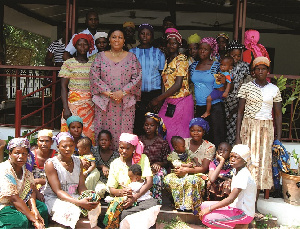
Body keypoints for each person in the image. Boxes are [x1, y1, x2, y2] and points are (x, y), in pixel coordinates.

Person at [236, 56, 282, 212]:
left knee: (261, 163)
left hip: (266, 130)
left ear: (268, 71)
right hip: (249, 127)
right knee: (247, 163)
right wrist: (237, 136)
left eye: (263, 69)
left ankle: (253, 206)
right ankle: (241, 203)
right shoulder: (246, 87)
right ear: (253, 71)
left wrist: (278, 137)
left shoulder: (274, 89)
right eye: (257, 69)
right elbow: (240, 112)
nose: (260, 71)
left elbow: (278, 114)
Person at [89, 27, 142, 150]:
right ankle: (103, 159)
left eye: (120, 37)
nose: (117, 40)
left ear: (124, 41)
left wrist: (123, 92)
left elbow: (137, 77)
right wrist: (108, 93)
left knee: (124, 132)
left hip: (125, 102)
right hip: (105, 102)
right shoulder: (100, 57)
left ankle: (123, 159)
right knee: (103, 130)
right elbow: (94, 76)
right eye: (114, 37)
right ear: (109, 40)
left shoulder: (132, 57)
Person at [44, 132, 100, 228]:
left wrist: (88, 196)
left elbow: (81, 186)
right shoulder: (51, 164)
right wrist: (79, 202)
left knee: (95, 207)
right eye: (64, 146)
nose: (68, 149)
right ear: (58, 147)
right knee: (74, 211)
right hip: (56, 199)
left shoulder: (78, 161)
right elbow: (58, 191)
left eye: (71, 146)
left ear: (75, 146)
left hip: (74, 196)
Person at [149, 31, 194, 148]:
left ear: (179, 45)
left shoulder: (182, 59)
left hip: (182, 100)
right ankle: (167, 157)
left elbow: (178, 84)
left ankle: (180, 160)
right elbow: (165, 82)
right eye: (169, 43)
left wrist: (158, 99)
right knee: (162, 126)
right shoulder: (167, 60)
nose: (171, 46)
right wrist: (163, 100)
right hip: (169, 100)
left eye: (174, 43)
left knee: (179, 132)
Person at [106, 133, 160, 229]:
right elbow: (111, 189)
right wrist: (122, 192)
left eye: (128, 148)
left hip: (140, 197)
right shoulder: (115, 164)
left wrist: (134, 197)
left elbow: (149, 182)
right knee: (125, 214)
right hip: (125, 199)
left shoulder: (142, 158)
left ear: (134, 149)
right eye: (121, 148)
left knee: (152, 206)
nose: (124, 151)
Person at [164, 118, 215, 214]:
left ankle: (190, 207)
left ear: (204, 131)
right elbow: (174, 157)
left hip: (198, 173)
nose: (195, 133)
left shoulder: (209, 146)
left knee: (191, 180)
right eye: (192, 130)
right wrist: (180, 168)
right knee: (168, 179)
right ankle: (178, 204)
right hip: (181, 170)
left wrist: (186, 170)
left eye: (199, 131)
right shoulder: (183, 142)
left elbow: (204, 168)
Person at [199, 144, 256, 228]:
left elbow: (230, 199)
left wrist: (210, 209)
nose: (232, 159)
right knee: (204, 205)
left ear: (244, 160)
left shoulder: (243, 175)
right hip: (235, 207)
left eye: (236, 157)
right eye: (231, 156)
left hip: (243, 213)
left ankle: (239, 226)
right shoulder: (236, 170)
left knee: (208, 219)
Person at [0, 138, 48, 229]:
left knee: (42, 208)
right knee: (20, 220)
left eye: (24, 154)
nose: (21, 156)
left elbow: (31, 190)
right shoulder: (4, 170)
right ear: (10, 154)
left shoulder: (26, 171)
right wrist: (34, 219)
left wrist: (34, 208)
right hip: (5, 204)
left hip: (21, 200)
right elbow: (14, 198)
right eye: (17, 153)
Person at [129, 23, 165, 136]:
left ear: (152, 36)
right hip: (137, 95)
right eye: (142, 34)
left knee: (154, 125)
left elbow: (163, 77)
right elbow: (129, 77)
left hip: (154, 95)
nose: (145, 36)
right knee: (138, 124)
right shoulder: (132, 53)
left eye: (148, 34)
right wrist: (132, 97)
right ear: (138, 36)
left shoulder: (159, 53)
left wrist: (160, 99)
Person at [190, 37, 225, 147]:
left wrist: (211, 97)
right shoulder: (193, 66)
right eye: (200, 48)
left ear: (211, 51)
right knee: (201, 137)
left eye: (206, 49)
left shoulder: (216, 66)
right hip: (199, 106)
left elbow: (222, 87)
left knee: (216, 136)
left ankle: (216, 162)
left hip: (215, 106)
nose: (202, 51)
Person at [60, 33, 95, 144]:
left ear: (89, 47)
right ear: (75, 46)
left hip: (90, 105)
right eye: (79, 45)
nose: (82, 47)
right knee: (70, 133)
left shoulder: (93, 63)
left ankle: (87, 158)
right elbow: (63, 86)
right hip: (72, 105)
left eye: (85, 45)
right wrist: (66, 107)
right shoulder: (68, 63)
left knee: (88, 133)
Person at [103, 163, 153, 228]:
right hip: (143, 199)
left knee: (116, 204)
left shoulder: (135, 184)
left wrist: (122, 185)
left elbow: (128, 189)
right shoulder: (143, 181)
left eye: (131, 178)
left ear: (137, 178)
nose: (130, 179)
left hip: (137, 201)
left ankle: (111, 223)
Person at [139, 112, 169, 204]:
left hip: (156, 168)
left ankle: (156, 202)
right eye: (146, 125)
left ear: (157, 126)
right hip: (142, 167)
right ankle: (140, 200)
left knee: (157, 177)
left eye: (152, 125)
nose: (148, 127)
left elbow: (167, 161)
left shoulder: (162, 142)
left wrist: (158, 164)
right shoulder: (139, 140)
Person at [224, 40, 251, 145]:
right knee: (225, 128)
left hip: (239, 102)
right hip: (225, 102)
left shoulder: (244, 66)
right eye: (233, 55)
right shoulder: (224, 64)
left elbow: (247, 84)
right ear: (228, 54)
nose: (236, 58)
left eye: (238, 56)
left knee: (236, 128)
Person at [93, 130, 119, 198]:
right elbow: (90, 164)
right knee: (99, 191)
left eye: (106, 140)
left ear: (110, 141)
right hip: (98, 180)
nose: (103, 142)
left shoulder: (116, 155)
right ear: (98, 140)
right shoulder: (94, 151)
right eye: (101, 140)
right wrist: (102, 166)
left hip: (111, 181)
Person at [32, 129, 56, 198]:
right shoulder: (31, 156)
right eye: (41, 141)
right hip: (33, 188)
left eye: (47, 141)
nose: (44, 144)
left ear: (52, 142)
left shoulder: (56, 156)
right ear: (37, 142)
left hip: (52, 188)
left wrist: (39, 181)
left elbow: (60, 178)